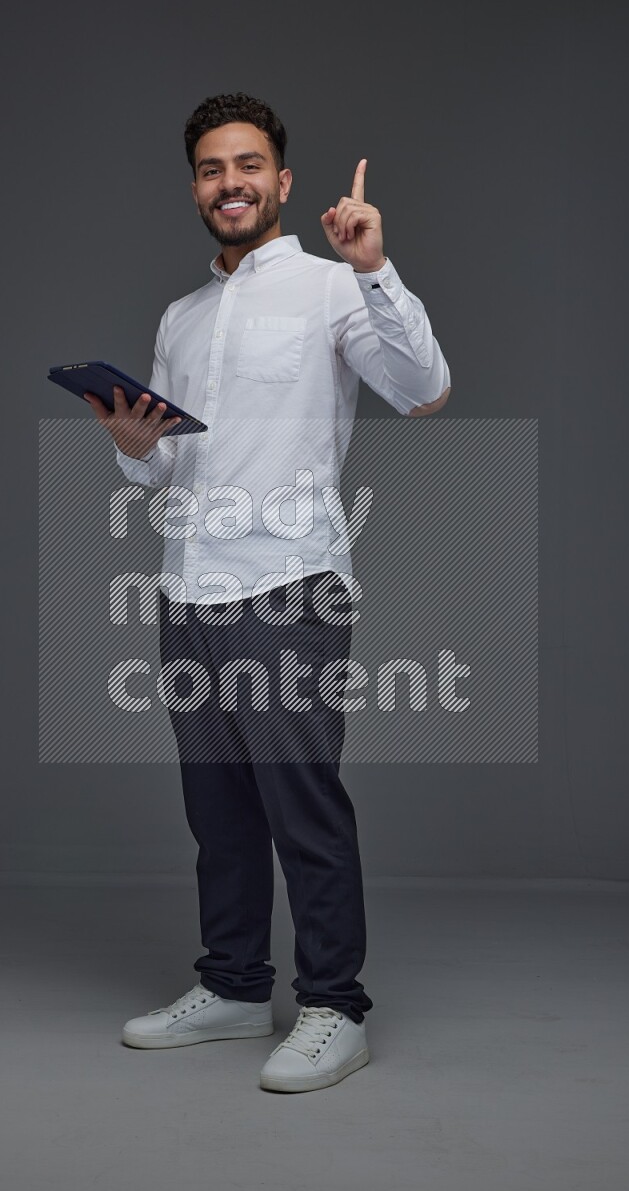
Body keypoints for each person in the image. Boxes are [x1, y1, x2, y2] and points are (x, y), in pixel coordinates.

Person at [84, 92, 452, 1093]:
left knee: (301, 804)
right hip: (189, 589)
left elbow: (422, 389)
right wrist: (132, 451)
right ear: (196, 187)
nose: (229, 182)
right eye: (210, 168)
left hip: (288, 586)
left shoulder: (334, 289)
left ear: (281, 181)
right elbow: (167, 474)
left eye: (247, 164)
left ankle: (334, 1004)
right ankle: (235, 984)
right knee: (219, 811)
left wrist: (375, 267)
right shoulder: (181, 316)